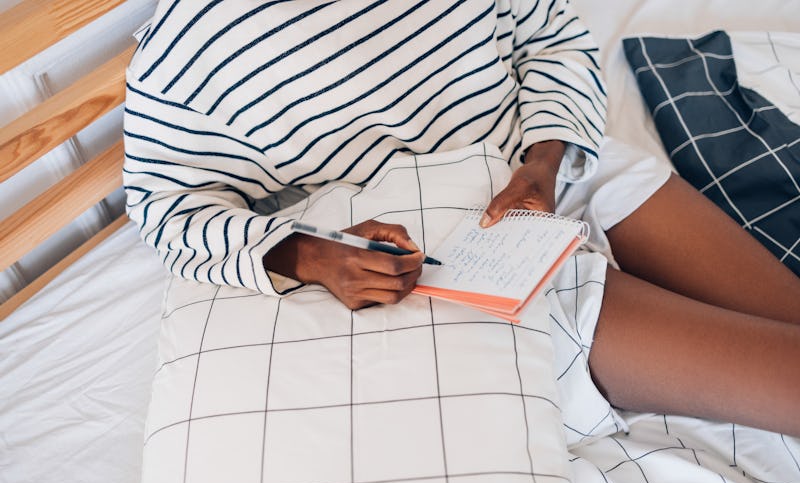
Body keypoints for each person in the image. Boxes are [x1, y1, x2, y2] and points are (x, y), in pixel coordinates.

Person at [123, 0, 800, 437]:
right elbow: (165, 208)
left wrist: (544, 161)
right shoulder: (186, 57)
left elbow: (553, 38)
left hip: (557, 169)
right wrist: (308, 253)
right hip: (459, 248)